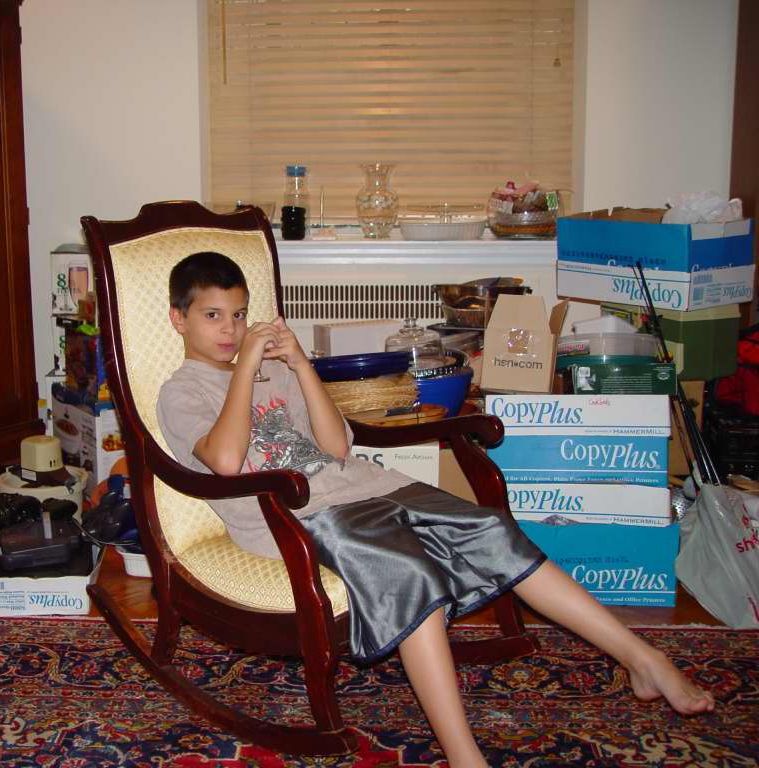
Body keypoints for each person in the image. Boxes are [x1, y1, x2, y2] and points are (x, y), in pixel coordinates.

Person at [156, 251, 714, 767]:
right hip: (295, 516)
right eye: (212, 316)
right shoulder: (181, 392)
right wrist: (245, 368)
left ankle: (642, 658)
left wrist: (301, 364)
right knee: (410, 573)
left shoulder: (278, 371)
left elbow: (336, 447)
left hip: (366, 485)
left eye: (239, 315)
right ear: (180, 320)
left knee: (491, 528)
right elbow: (225, 461)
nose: (230, 330)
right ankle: (464, 756)